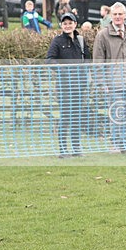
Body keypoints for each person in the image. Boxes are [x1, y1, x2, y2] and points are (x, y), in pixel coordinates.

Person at [92, 2, 126, 154]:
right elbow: (98, 61)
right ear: (110, 16)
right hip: (112, 84)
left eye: (121, 14)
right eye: (115, 14)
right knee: (115, 114)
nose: (118, 17)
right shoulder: (103, 35)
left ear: (125, 15)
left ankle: (125, 145)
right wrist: (101, 83)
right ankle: (114, 145)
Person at [46, 12, 90, 157]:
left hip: (79, 86)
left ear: (75, 24)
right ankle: (63, 149)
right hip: (64, 86)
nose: (67, 25)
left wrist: (84, 75)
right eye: (64, 23)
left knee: (77, 117)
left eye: (70, 23)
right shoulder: (57, 41)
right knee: (65, 117)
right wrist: (64, 70)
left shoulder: (81, 41)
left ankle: (76, 148)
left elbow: (88, 60)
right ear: (61, 25)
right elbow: (50, 60)